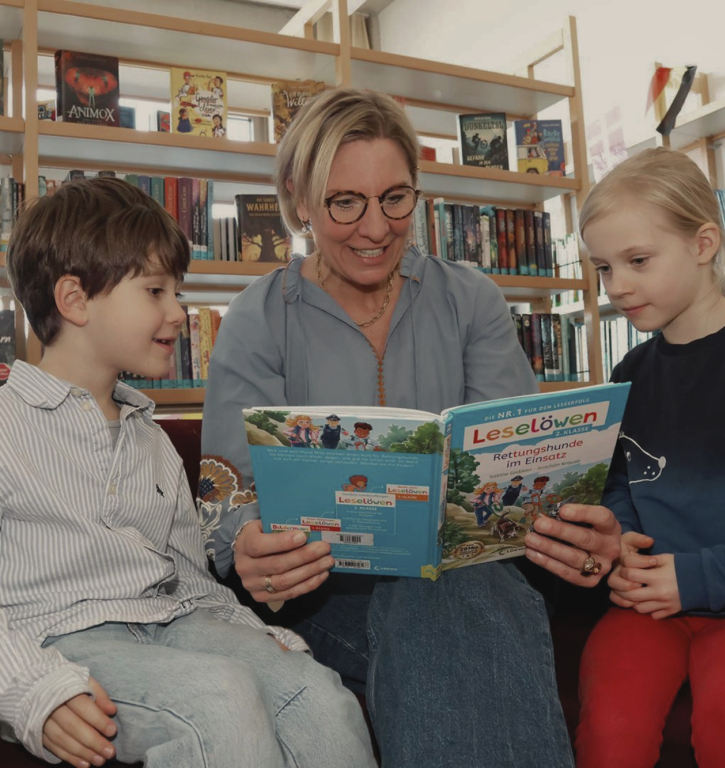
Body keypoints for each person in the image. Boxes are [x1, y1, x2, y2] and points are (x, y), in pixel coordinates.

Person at [199, 87, 575, 767]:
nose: (376, 228)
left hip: (469, 581)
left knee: (441, 588)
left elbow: (514, 471)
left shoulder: (471, 300)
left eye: (396, 198)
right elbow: (227, 493)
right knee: (435, 598)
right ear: (300, 199)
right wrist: (246, 541)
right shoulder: (258, 317)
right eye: (346, 202)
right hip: (321, 597)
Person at [0, 178, 376, 768]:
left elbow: (189, 580)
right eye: (155, 291)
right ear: (74, 300)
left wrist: (260, 640)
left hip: (174, 623)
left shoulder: (149, 437)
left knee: (322, 697)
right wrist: (32, 690)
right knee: (221, 699)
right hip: (59, 639)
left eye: (176, 291)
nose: (179, 312)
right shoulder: (6, 423)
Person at [542, 147, 725, 768]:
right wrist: (626, 542)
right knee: (610, 727)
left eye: (638, 261)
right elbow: (623, 480)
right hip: (646, 606)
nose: (618, 287)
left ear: (703, 244)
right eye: (604, 269)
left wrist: (696, 579)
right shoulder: (630, 372)